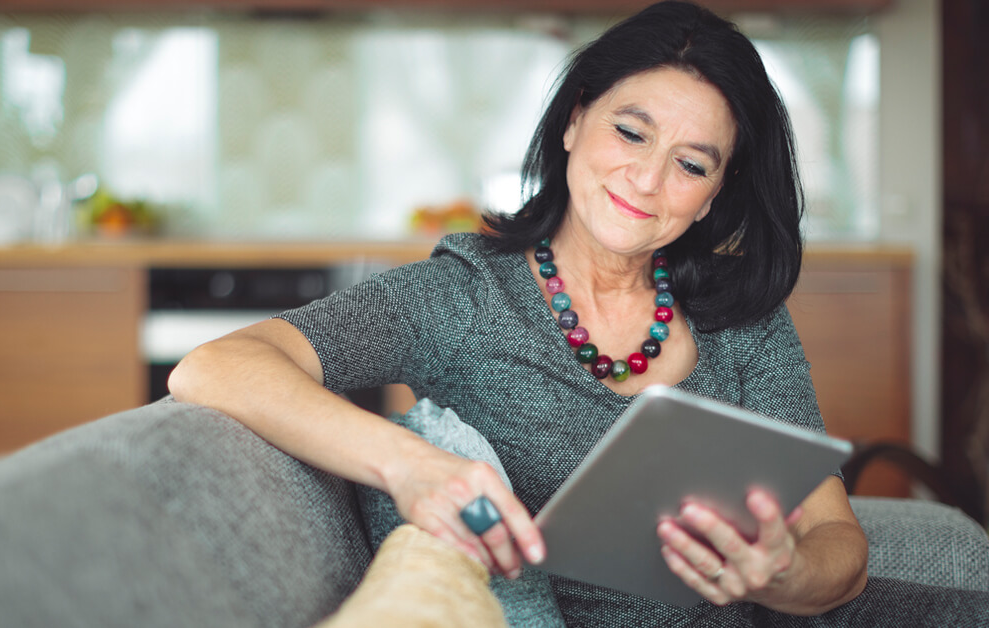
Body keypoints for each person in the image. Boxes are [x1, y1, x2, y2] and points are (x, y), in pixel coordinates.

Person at [171, 1, 989, 625]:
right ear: (573, 122)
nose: (646, 180)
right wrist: (412, 466)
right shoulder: (466, 296)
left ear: (712, 197)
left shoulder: (744, 319)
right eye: (630, 133)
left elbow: (838, 547)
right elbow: (215, 365)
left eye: (691, 164)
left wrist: (784, 575)